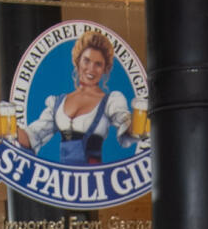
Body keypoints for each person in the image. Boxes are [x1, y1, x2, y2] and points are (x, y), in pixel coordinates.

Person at [17, 29, 134, 165]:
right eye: (86, 61)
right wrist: (8, 127)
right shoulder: (58, 102)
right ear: (78, 62)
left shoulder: (111, 102)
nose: (91, 68)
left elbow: (128, 128)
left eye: (98, 64)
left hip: (94, 176)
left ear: (105, 69)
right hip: (64, 177)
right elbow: (31, 138)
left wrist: (141, 121)